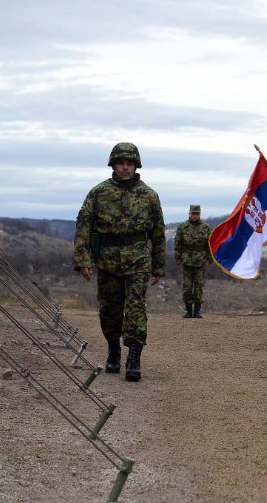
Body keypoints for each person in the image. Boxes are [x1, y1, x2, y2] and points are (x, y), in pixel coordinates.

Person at [73, 142, 166, 382]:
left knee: (136, 308)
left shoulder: (149, 195)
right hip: (108, 259)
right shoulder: (98, 193)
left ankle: (134, 357)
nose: (125, 167)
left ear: (136, 166)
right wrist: (82, 258)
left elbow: (158, 233)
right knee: (110, 309)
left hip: (138, 259)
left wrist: (158, 266)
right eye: (120, 163)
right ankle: (113, 350)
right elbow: (83, 226)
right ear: (113, 164)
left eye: (129, 163)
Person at [174, 205, 211, 318]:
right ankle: (189, 311)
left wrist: (209, 259)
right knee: (187, 287)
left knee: (199, 286)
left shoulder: (206, 227)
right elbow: (177, 243)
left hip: (201, 261)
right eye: (193, 213)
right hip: (187, 261)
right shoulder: (183, 227)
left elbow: (210, 245)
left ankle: (197, 311)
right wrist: (178, 259)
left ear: (199, 214)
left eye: (197, 213)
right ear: (189, 213)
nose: (195, 216)